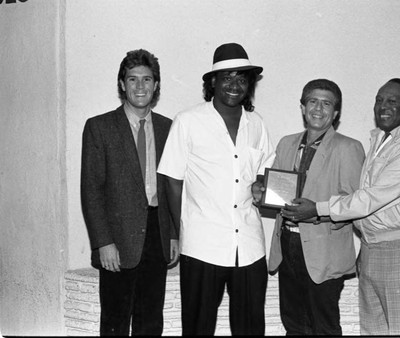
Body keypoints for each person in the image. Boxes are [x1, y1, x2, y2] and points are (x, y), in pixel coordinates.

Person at [282, 78, 400, 335]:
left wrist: (317, 209)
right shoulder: (383, 141)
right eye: (379, 100)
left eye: (392, 101)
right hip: (373, 246)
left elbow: (366, 199)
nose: (382, 106)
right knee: (373, 331)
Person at [157, 43, 275, 335]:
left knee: (250, 328)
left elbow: (264, 173)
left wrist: (263, 187)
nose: (235, 85)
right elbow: (172, 180)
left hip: (249, 246)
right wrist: (183, 229)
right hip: (202, 245)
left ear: (249, 85)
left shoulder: (257, 124)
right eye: (227, 77)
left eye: (241, 78)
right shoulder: (188, 121)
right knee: (198, 327)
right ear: (213, 82)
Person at [81, 49, 180, 336]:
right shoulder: (99, 127)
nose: (140, 87)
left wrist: (173, 233)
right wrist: (103, 242)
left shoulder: (167, 128)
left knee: (151, 321)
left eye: (147, 80)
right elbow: (92, 190)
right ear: (122, 84)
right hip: (117, 238)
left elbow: (171, 184)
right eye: (133, 79)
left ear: (156, 85)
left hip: (156, 235)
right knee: (115, 320)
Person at [261, 79, 365, 335]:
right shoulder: (287, 143)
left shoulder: (348, 147)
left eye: (326, 103)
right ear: (302, 107)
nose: (318, 109)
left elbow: (354, 203)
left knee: (323, 326)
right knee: (294, 324)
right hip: (287, 246)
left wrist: (316, 211)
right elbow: (279, 190)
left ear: (336, 112)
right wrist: (261, 191)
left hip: (325, 250)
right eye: (312, 101)